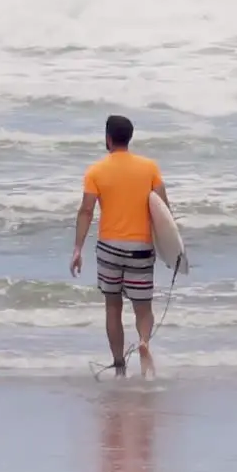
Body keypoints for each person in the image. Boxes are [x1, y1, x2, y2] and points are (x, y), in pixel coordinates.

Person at [70, 114, 170, 377]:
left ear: (108, 138)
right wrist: (171, 250)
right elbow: (164, 212)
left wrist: (78, 249)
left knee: (113, 307)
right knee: (143, 308)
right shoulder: (150, 168)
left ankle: (119, 366)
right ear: (130, 137)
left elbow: (86, 211)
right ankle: (144, 342)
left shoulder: (96, 171)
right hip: (140, 248)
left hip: (109, 248)